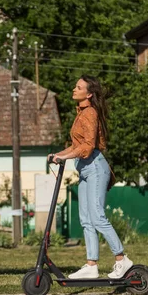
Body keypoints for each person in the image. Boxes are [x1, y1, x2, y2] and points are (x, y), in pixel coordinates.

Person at [49, 75, 133, 279]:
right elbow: (77, 146)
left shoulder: (90, 114)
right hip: (86, 170)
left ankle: (122, 260)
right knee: (86, 219)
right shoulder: (82, 113)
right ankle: (91, 265)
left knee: (96, 216)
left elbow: (87, 147)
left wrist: (64, 157)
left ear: (89, 94)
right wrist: (59, 155)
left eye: (78, 87)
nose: (73, 89)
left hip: (95, 168)